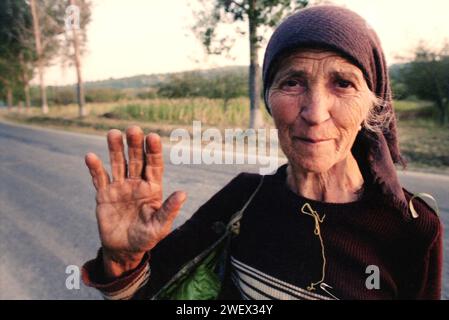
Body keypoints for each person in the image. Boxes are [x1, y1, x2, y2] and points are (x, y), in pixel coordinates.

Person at [81, 5, 443, 300]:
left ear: (372, 105)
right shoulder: (244, 198)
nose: (315, 112)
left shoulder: (412, 228)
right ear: (269, 100)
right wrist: (124, 258)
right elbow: (152, 293)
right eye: (292, 82)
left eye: (343, 83)